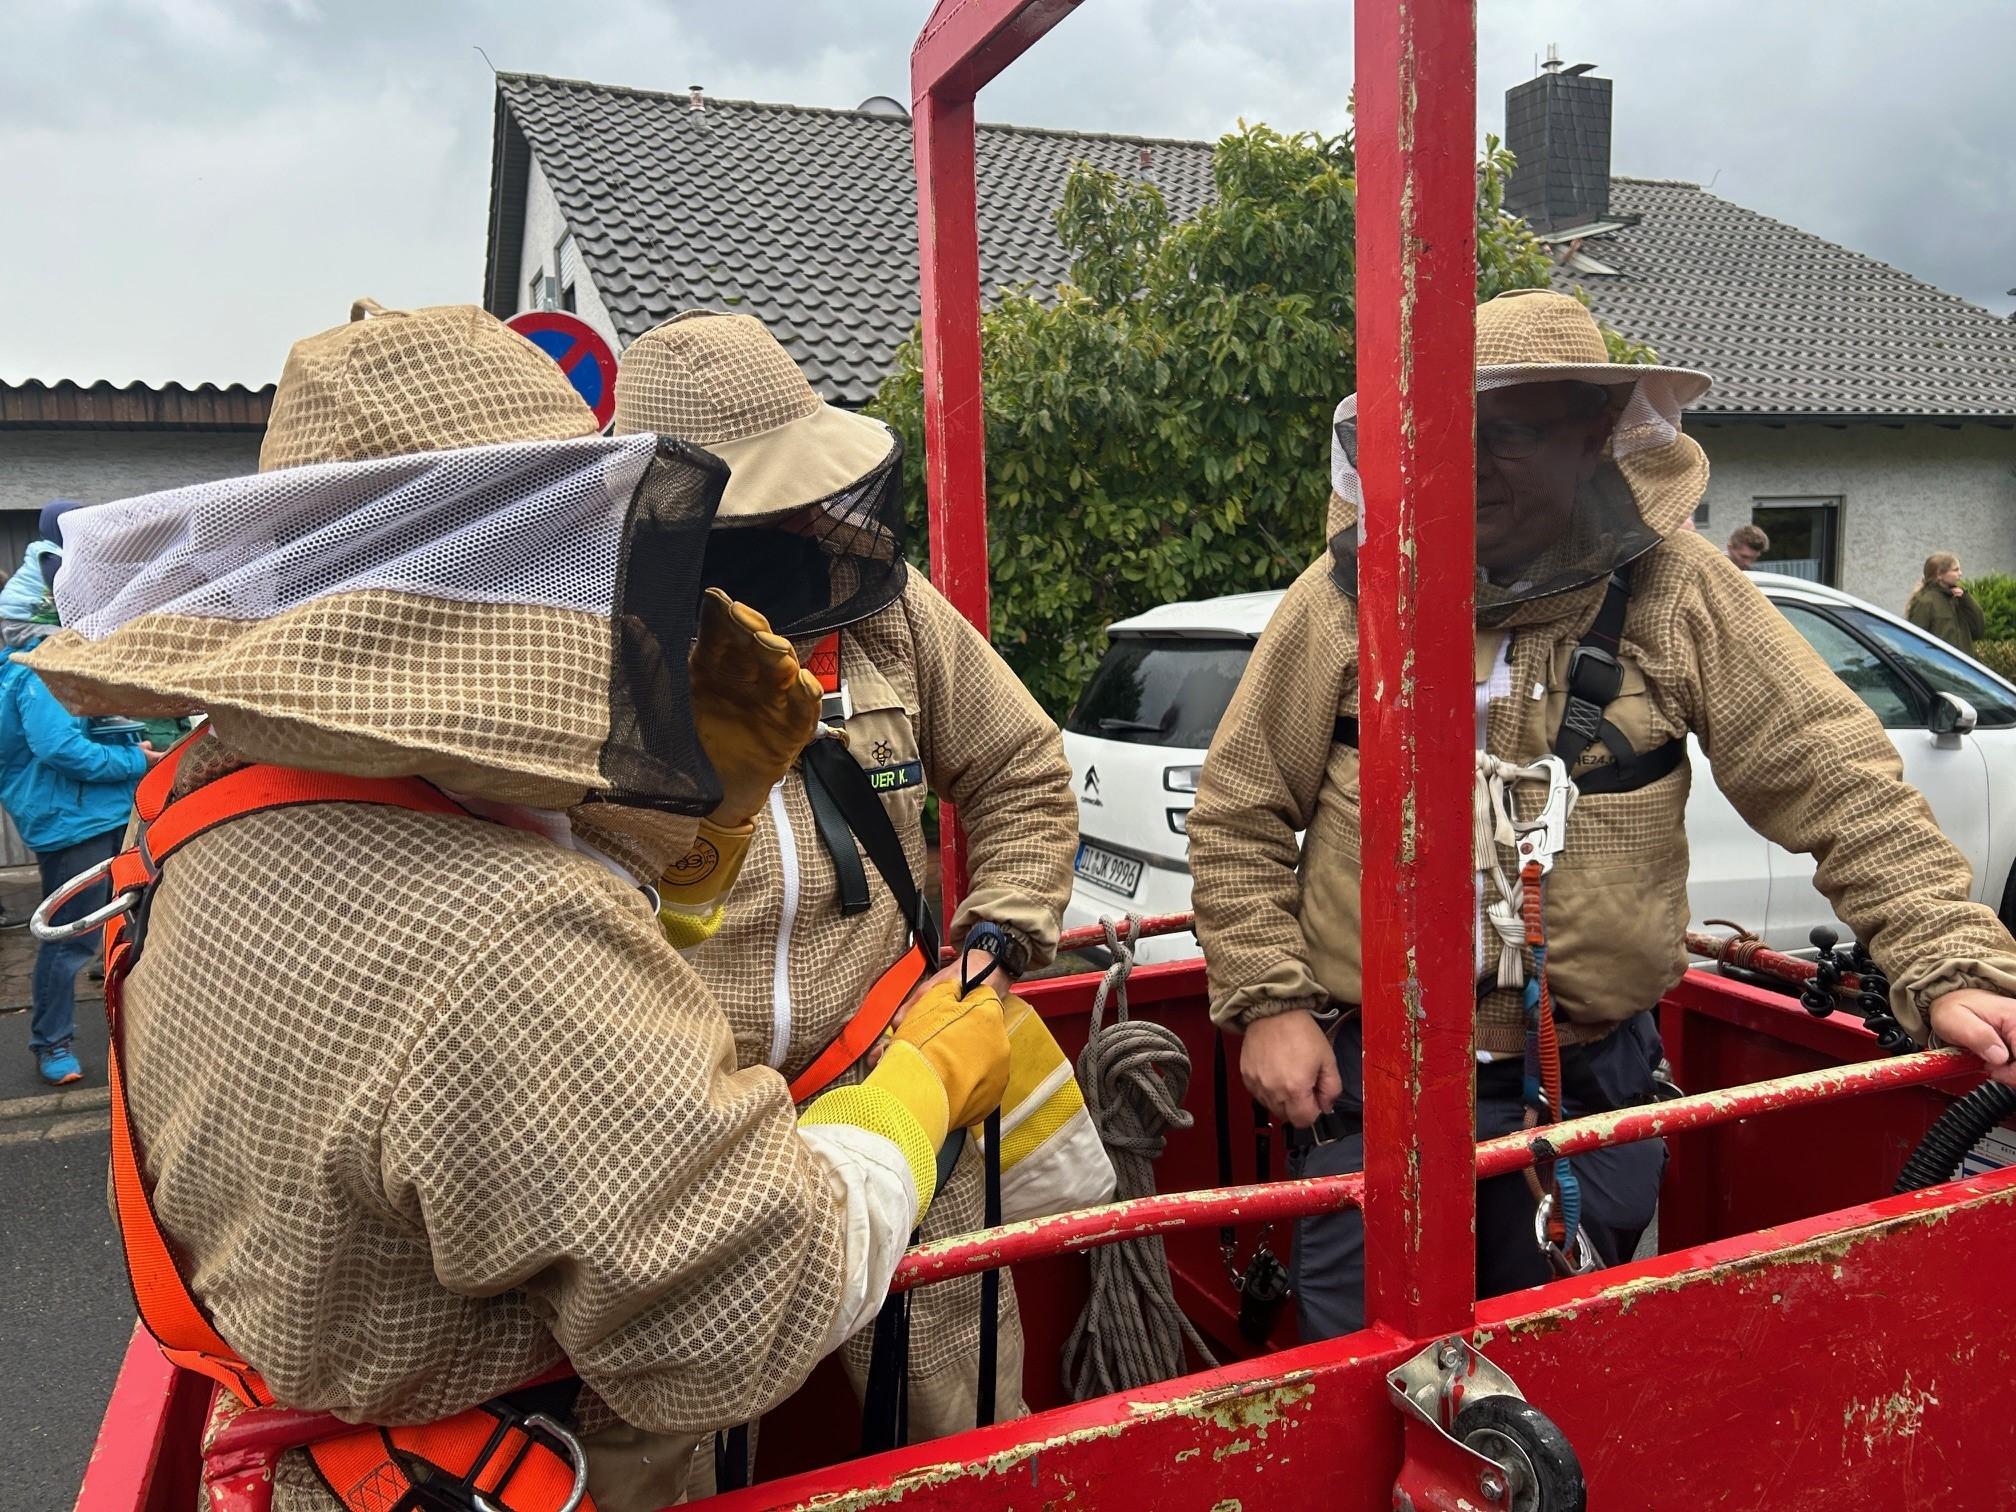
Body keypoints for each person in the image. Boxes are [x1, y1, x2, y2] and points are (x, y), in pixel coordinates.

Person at [24, 299, 1013, 1512]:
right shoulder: (507, 944)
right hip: (527, 1464)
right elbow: (748, 1311)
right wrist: (917, 1094)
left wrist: (674, 859)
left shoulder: (197, 803)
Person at [1187, 288, 2016, 1343]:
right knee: (1364, 1379)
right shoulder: (1347, 596)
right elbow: (1239, 809)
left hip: (1593, 1088)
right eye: (1452, 434)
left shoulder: (1678, 593)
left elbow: (1834, 777)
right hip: (1373, 1090)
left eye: (1514, 433)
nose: (1473, 461)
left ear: (1594, 436)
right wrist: (1267, 1002)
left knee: (1570, 1376)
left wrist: (1952, 959)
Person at [612, 311, 1089, 1445]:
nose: (788, 529)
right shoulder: (590, 655)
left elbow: (1022, 766)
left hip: (900, 1073)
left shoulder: (889, 614)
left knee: (960, 1411)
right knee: (676, 1437)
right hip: (683, 1127)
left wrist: (997, 945)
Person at [0, 616, 150, 1084]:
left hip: (108, 812)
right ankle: (52, 1042)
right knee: (69, 941)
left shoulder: (60, 662)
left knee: (133, 929)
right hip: (72, 823)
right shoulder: (38, 669)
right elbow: (59, 748)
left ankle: (138, 1037)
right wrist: (137, 760)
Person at [1906, 552, 1985, 655]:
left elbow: (1978, 631)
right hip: (1939, 667)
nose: (1960, 573)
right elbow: (1914, 641)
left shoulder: (1959, 599)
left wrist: (1966, 599)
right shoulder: (1926, 601)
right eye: (1955, 570)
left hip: (1962, 666)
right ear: (1939, 574)